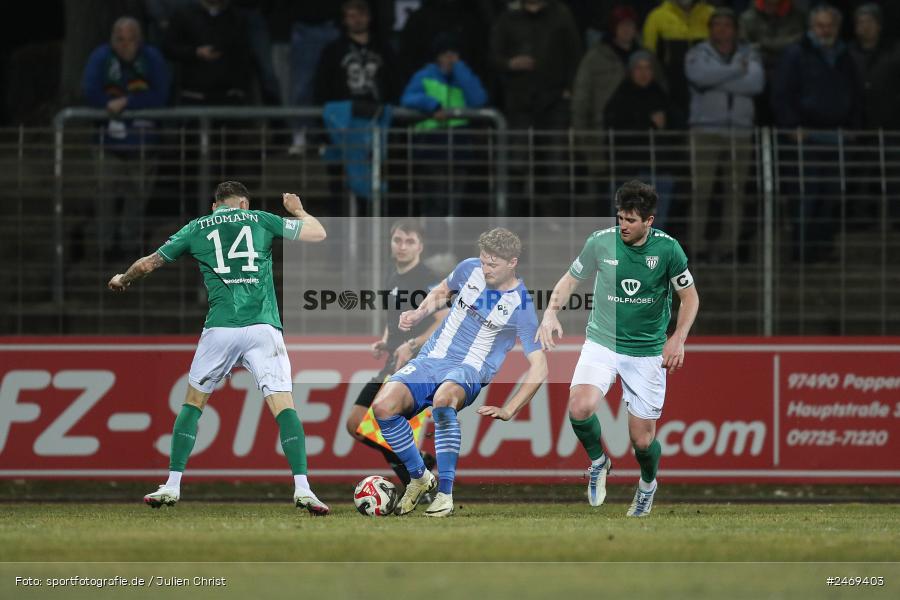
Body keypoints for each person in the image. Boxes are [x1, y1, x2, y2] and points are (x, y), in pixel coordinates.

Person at [107, 181, 330, 514]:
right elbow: (318, 233)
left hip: (221, 329)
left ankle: (171, 484)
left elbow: (148, 264)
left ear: (216, 206)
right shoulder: (260, 219)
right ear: (242, 203)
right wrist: (297, 210)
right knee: (283, 405)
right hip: (262, 327)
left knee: (194, 402)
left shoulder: (197, 227)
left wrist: (123, 279)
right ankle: (303, 488)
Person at [537, 180, 700, 517]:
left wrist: (678, 337)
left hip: (647, 351)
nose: (622, 225)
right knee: (579, 407)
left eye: (630, 220)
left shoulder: (668, 250)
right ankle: (599, 462)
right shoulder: (600, 243)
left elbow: (690, 297)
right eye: (620, 218)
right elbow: (570, 280)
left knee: (642, 442)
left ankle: (647, 484)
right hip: (602, 342)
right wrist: (551, 312)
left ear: (649, 221)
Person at [371, 228, 548, 517]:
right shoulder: (469, 268)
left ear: (512, 262)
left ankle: (445, 495)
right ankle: (419, 477)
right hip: (432, 358)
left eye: (493, 264)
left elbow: (540, 367)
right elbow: (441, 291)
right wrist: (418, 314)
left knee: (443, 400)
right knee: (382, 408)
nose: (485, 268)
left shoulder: (522, 305)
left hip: (470, 368)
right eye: (483, 260)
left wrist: (510, 408)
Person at [345, 220, 447, 485]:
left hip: (415, 365)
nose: (402, 247)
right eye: (398, 240)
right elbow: (395, 320)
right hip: (393, 362)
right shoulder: (393, 275)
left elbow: (444, 319)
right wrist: (386, 340)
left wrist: (412, 344)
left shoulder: (425, 279)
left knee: (387, 430)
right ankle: (420, 465)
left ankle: (420, 484)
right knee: (356, 425)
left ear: (420, 247)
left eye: (409, 241)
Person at [771, 3, 862, 262]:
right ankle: (801, 252)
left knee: (830, 196)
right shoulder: (796, 53)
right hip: (805, 137)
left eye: (830, 25)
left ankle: (824, 248)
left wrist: (853, 128)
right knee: (805, 196)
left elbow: (856, 94)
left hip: (838, 137)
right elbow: (782, 93)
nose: (826, 30)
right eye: (821, 25)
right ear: (812, 27)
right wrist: (791, 127)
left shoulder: (845, 55)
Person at [82, 16, 170, 258]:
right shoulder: (101, 57)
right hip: (108, 144)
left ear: (139, 40)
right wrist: (109, 105)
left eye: (130, 39)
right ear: (112, 40)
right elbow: (89, 91)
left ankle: (130, 247)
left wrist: (129, 102)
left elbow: (161, 94)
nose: (124, 45)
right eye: (119, 39)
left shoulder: (151, 57)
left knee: (137, 197)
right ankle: (104, 248)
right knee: (105, 196)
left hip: (144, 144)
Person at [684, 8, 764, 263]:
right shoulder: (697, 53)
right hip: (705, 131)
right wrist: (735, 72)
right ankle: (695, 247)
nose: (722, 29)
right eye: (716, 25)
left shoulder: (749, 54)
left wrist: (715, 80)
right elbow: (699, 76)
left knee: (736, 192)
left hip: (740, 132)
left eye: (727, 25)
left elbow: (755, 84)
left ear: (735, 29)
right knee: (701, 191)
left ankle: (728, 248)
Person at [400, 32, 488, 217]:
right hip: (431, 144)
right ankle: (433, 243)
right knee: (434, 199)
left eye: (454, 54)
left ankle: (450, 244)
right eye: (446, 54)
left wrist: (460, 70)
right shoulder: (424, 75)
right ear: (437, 56)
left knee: (455, 201)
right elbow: (408, 98)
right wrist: (432, 105)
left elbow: (478, 99)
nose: (450, 58)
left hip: (459, 143)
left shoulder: (464, 77)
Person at [603, 51, 675, 229]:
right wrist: (648, 122)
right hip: (628, 169)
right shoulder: (620, 97)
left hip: (658, 169)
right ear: (630, 71)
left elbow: (675, 124)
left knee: (656, 222)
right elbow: (616, 126)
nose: (643, 73)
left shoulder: (661, 95)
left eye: (647, 68)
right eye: (638, 68)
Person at [643, 0, 716, 128]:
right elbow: (649, 59)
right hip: (670, 96)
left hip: (707, 96)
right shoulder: (656, 17)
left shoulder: (712, 15)